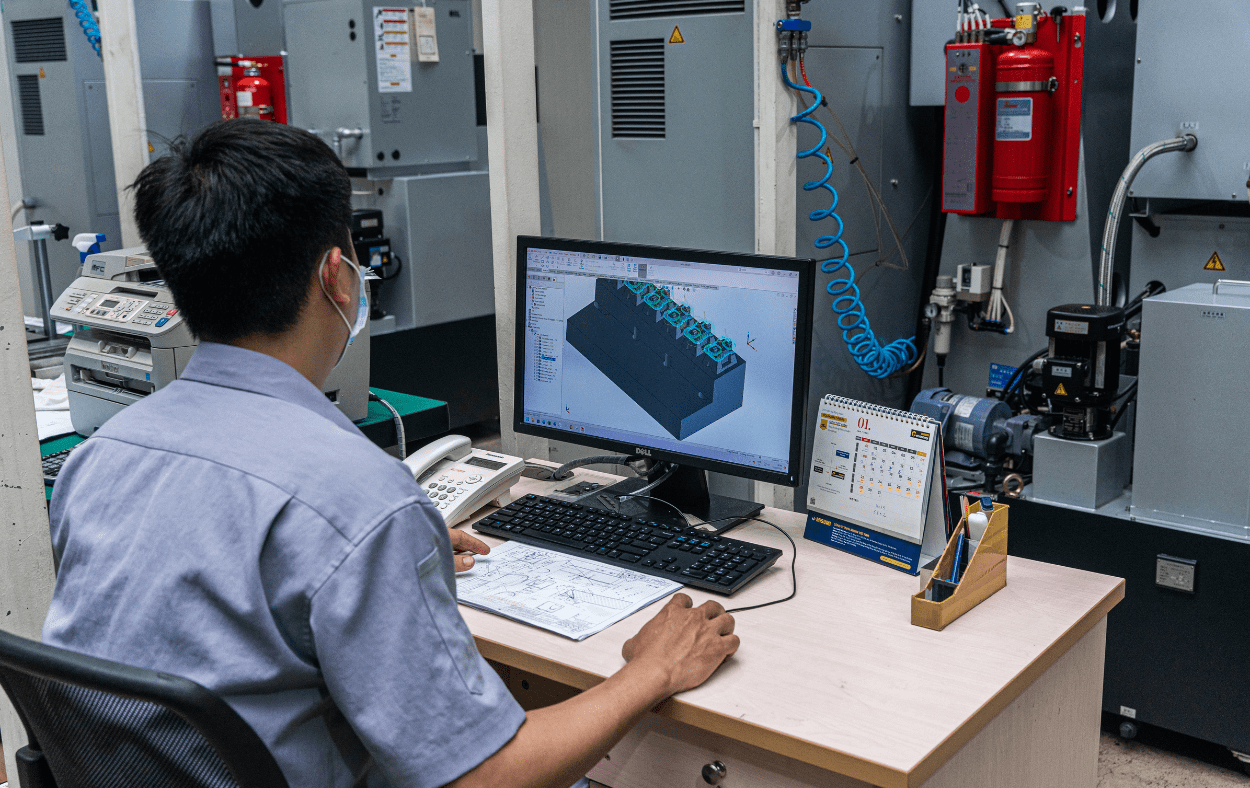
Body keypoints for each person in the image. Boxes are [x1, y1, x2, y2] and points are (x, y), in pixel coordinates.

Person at [42, 120, 740, 788]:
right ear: (338, 278)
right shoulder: (357, 499)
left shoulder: (97, 460)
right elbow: (483, 778)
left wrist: (378, 554)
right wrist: (651, 672)